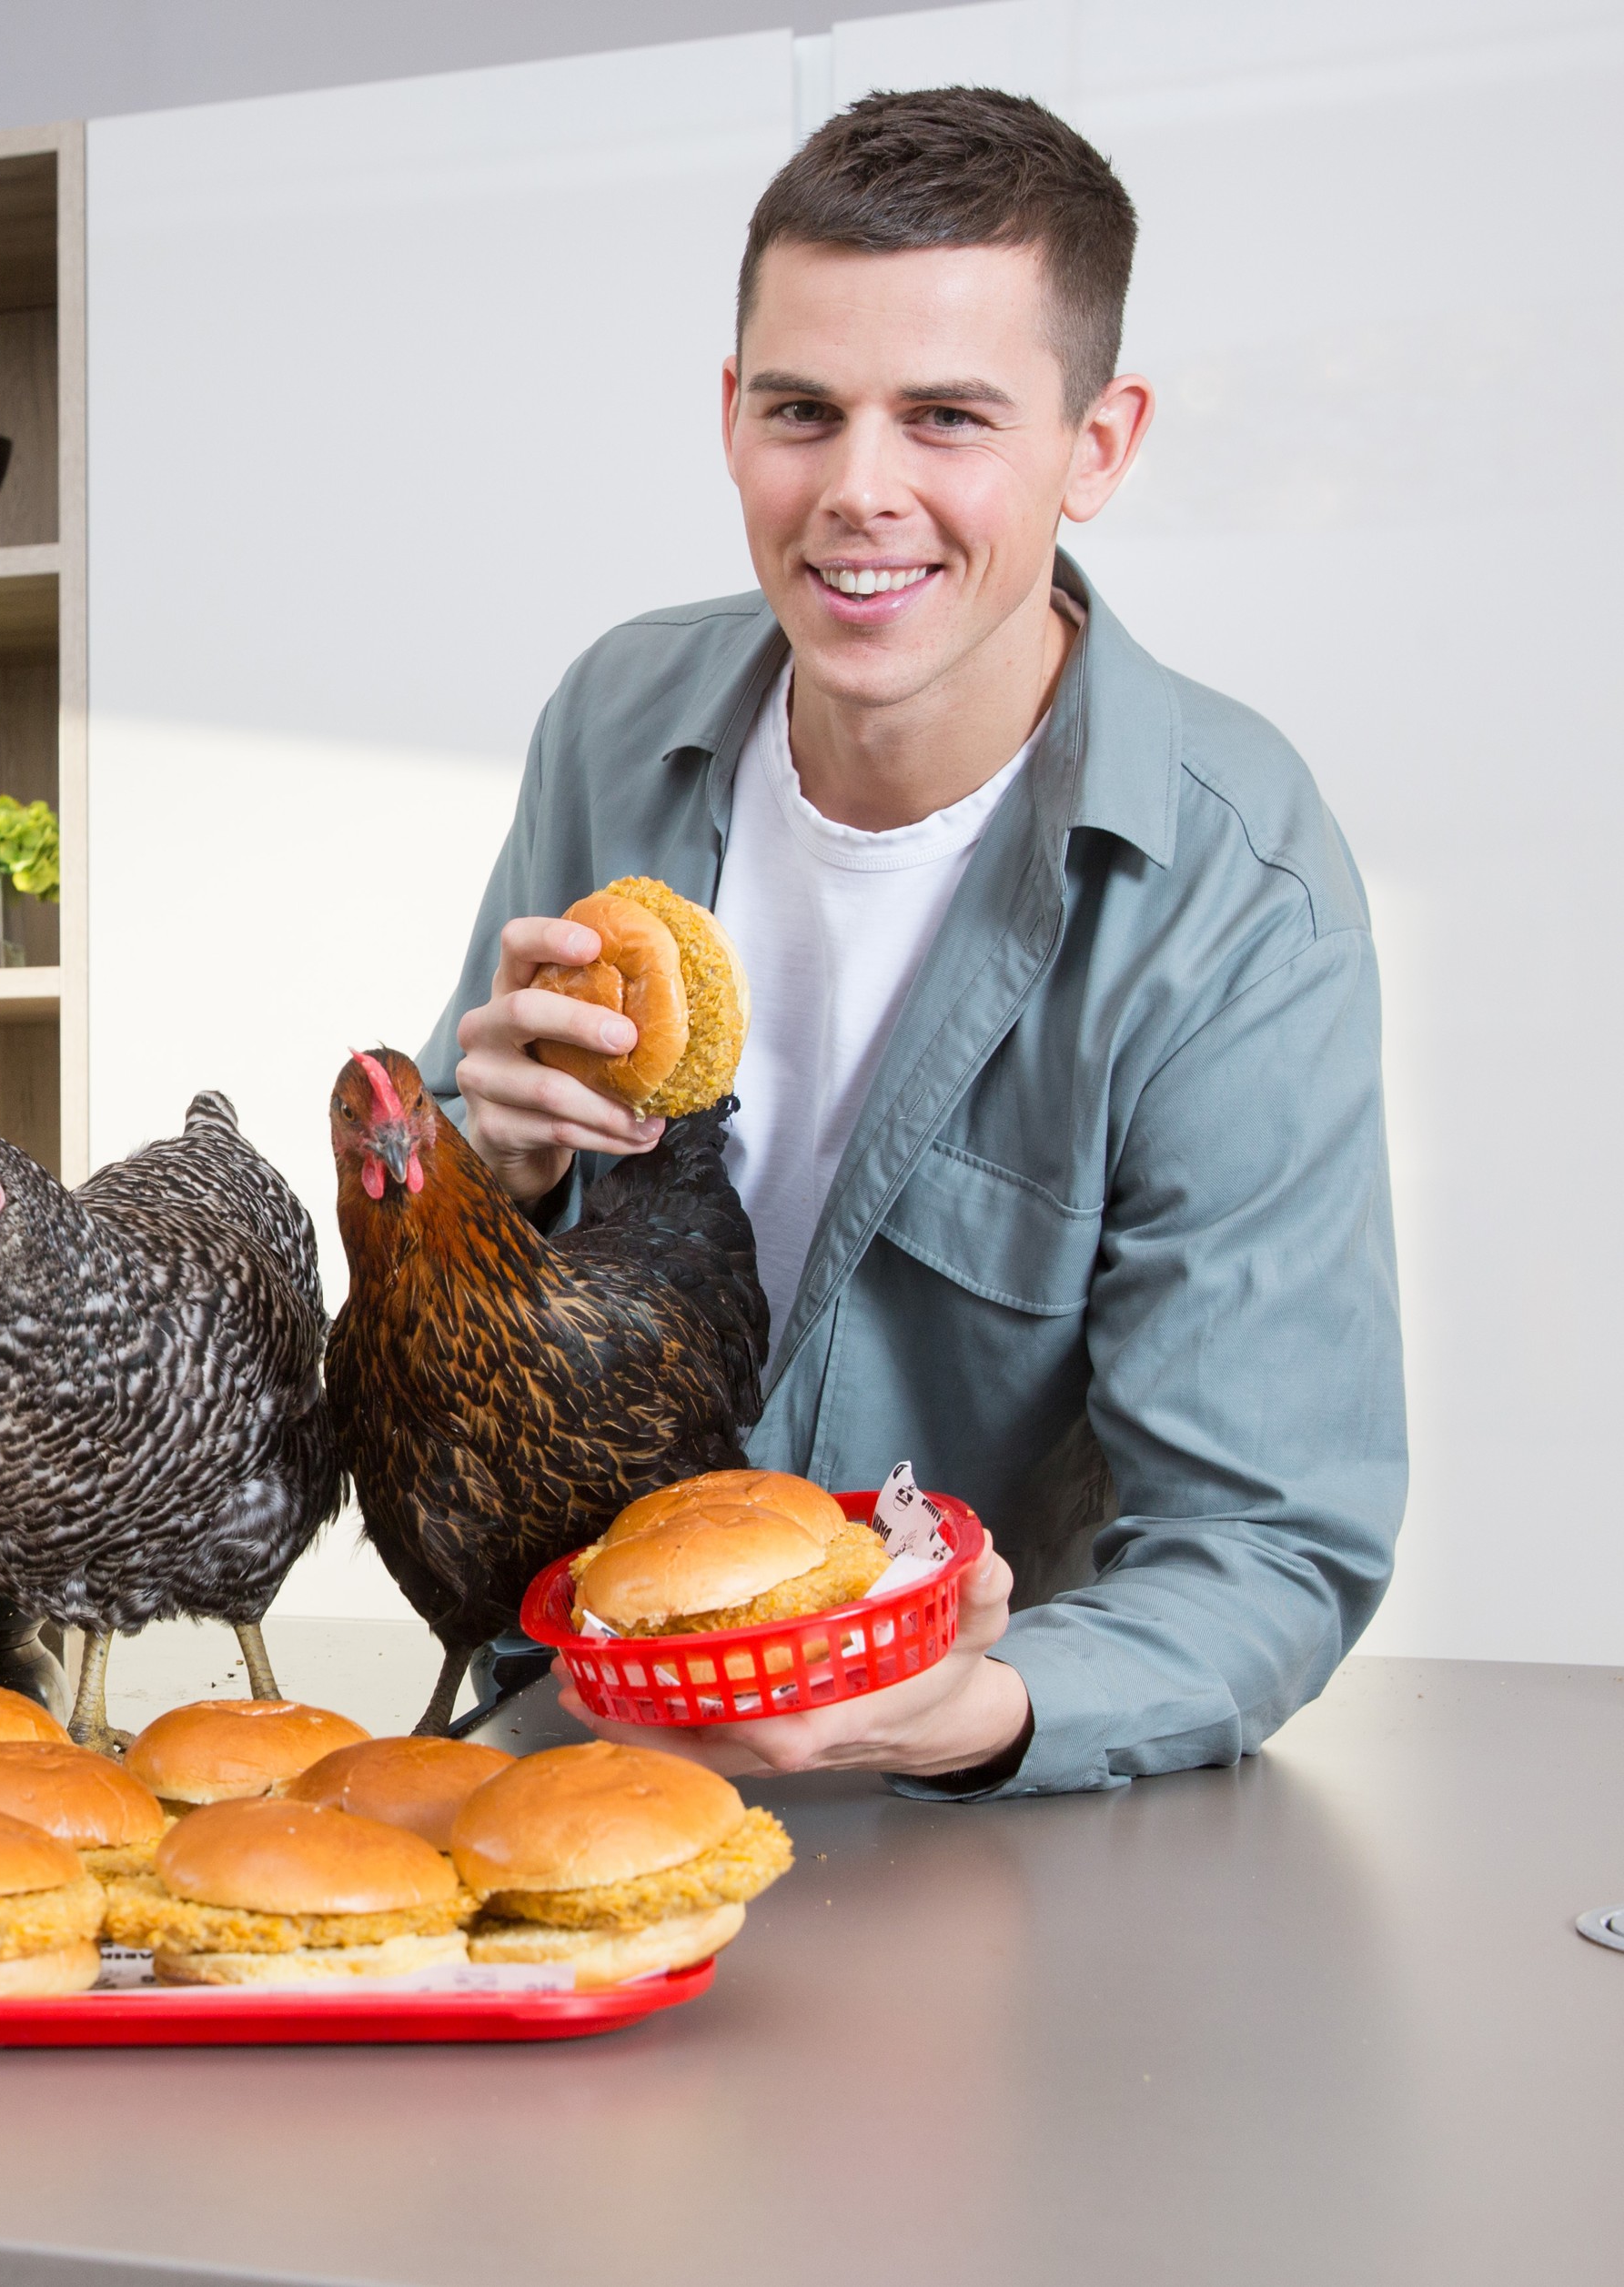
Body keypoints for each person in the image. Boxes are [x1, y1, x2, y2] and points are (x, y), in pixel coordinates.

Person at [425, 90, 1400, 1797]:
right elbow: (455, 1300)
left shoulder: (1237, 880)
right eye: (804, 411)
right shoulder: (610, 721)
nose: (859, 493)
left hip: (984, 1785)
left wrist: (965, 1711)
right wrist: (472, 1173)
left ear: (1097, 445)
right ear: (733, 417)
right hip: (580, 1725)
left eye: (948, 416)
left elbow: (1264, 1543)